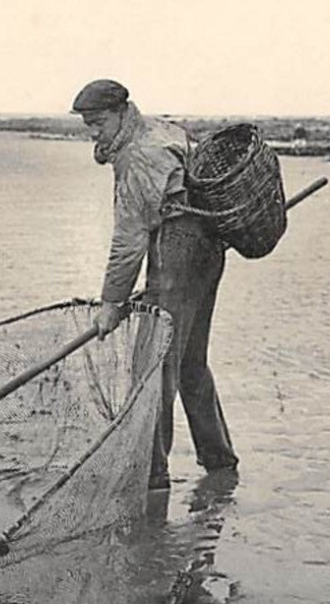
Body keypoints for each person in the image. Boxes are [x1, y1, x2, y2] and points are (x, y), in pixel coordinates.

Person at [71, 78, 238, 490]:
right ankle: (220, 465)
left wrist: (112, 302)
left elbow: (130, 239)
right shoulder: (161, 129)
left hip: (179, 253)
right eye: (87, 125)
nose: (93, 132)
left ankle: (152, 476)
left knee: (154, 367)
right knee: (190, 362)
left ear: (121, 112)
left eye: (97, 122)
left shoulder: (140, 155)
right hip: (207, 251)